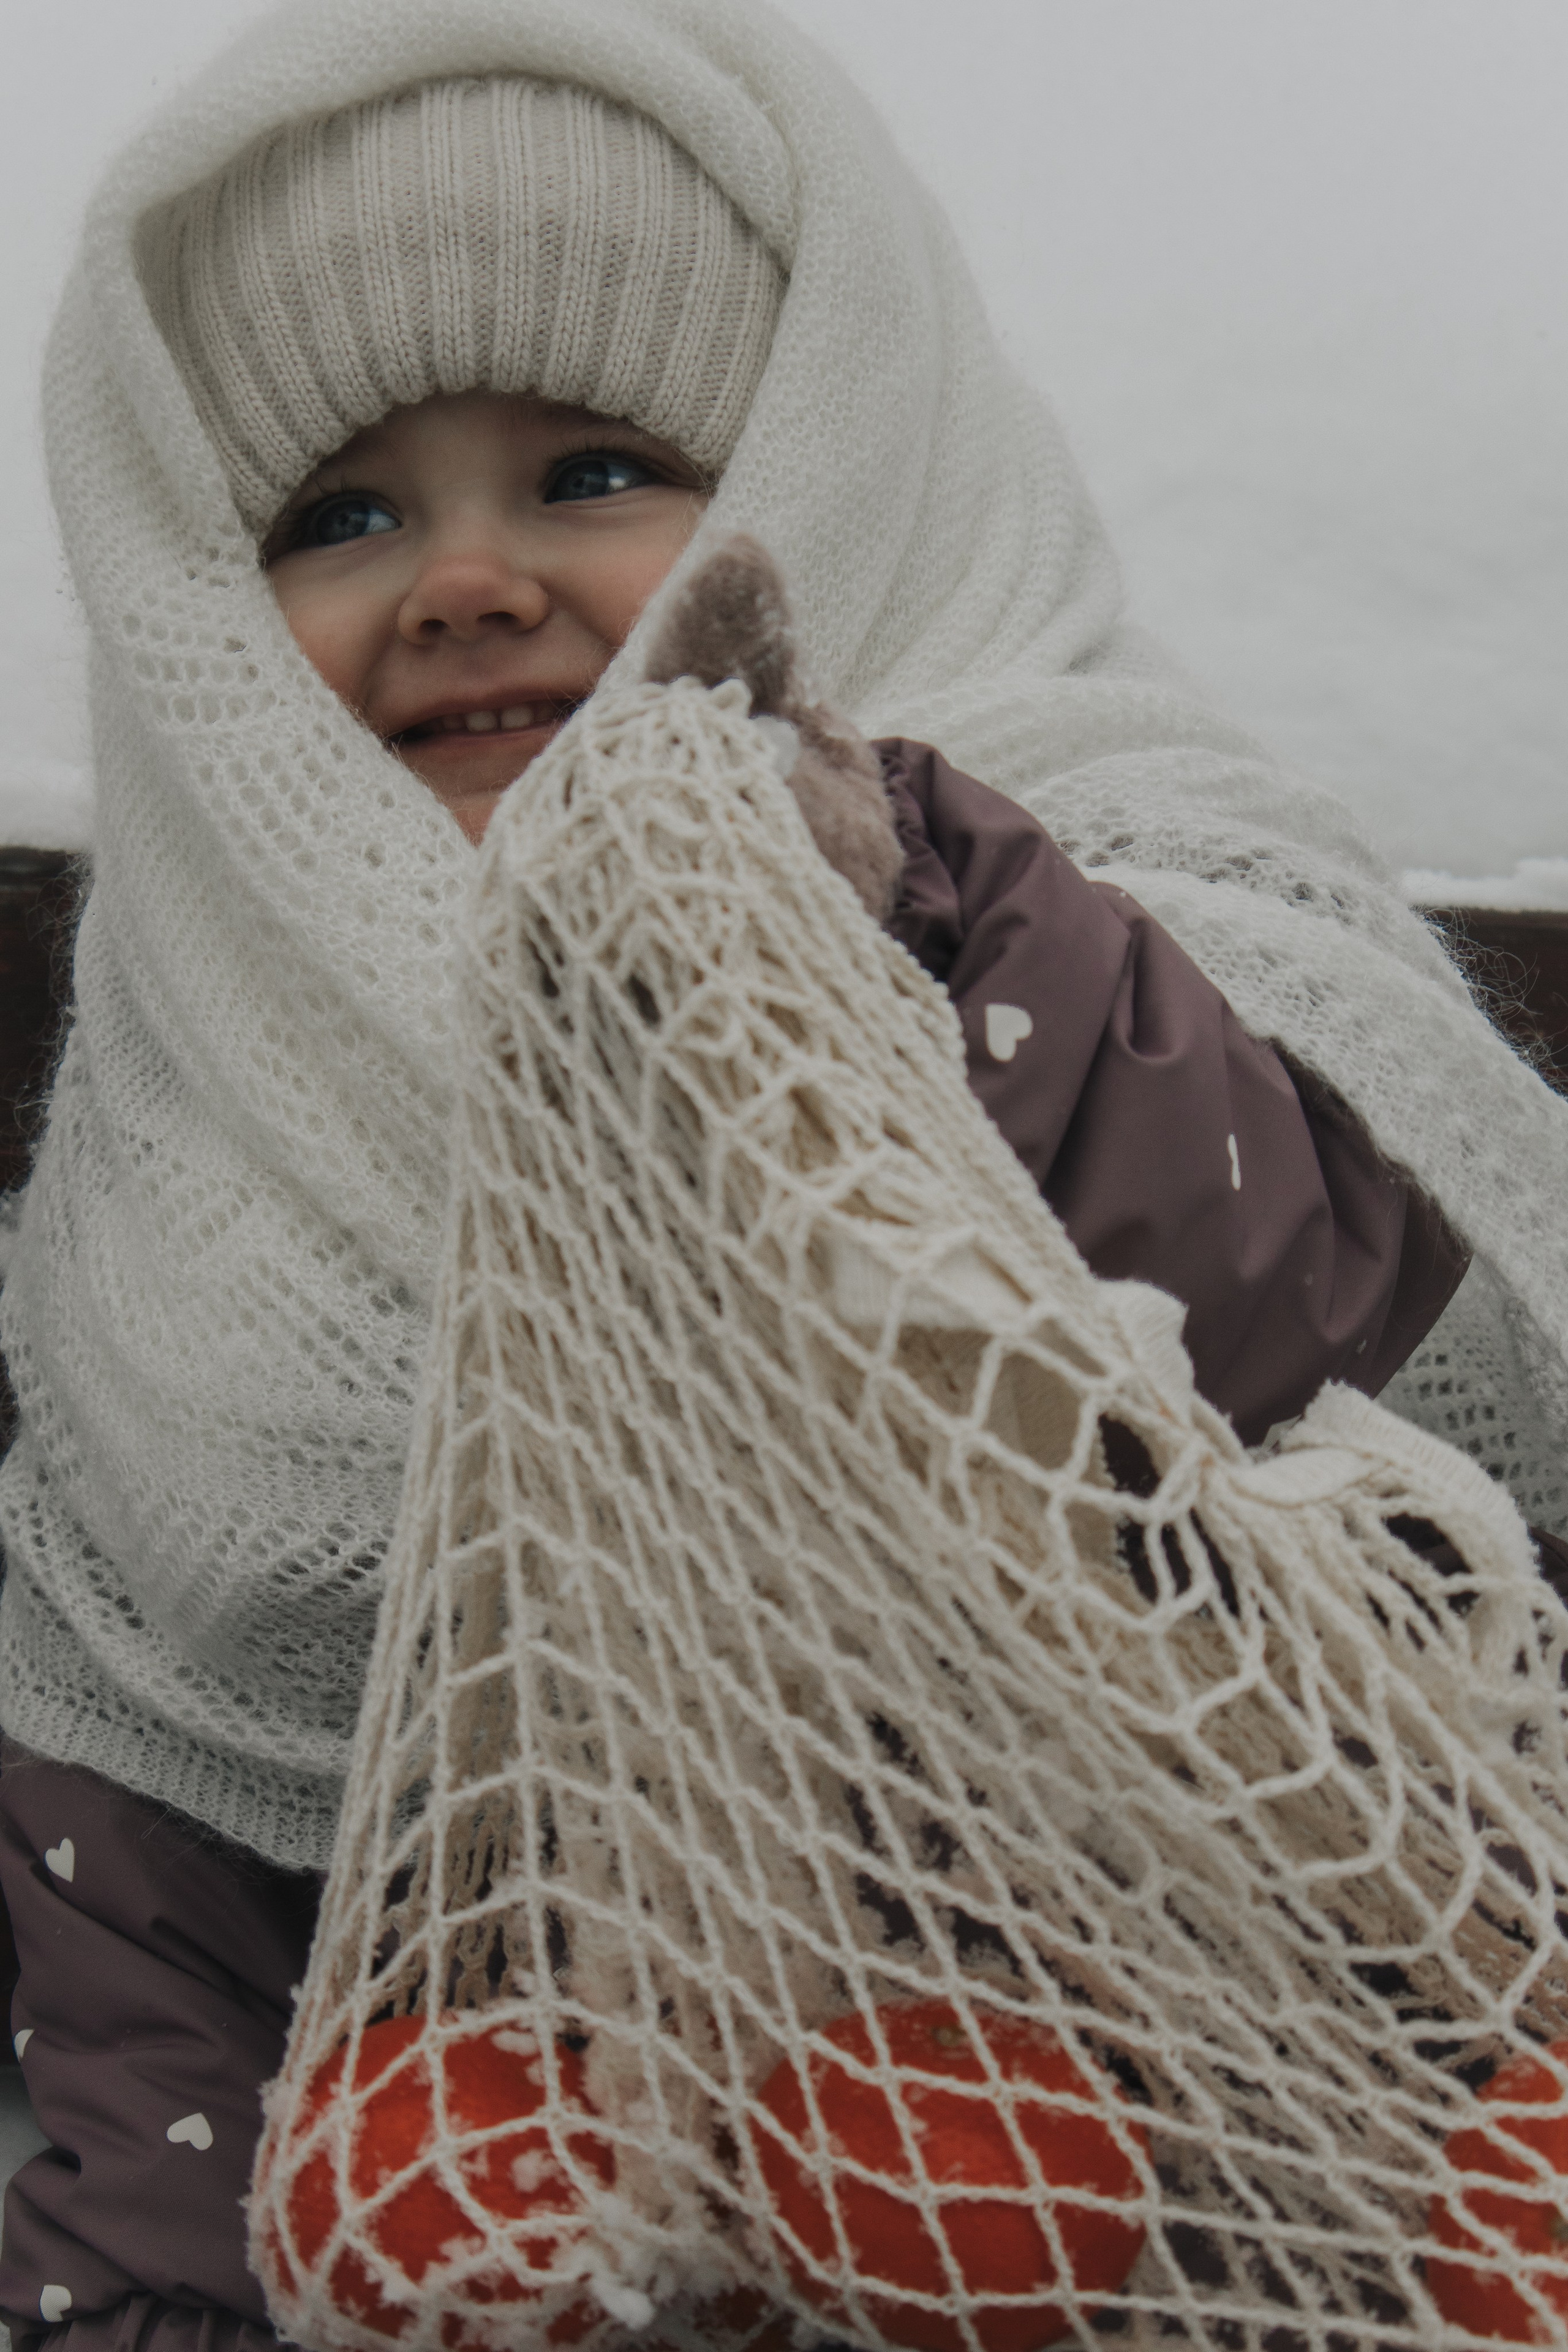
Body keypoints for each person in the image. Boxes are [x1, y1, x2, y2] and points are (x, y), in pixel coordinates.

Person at [3, 3, 1568, 2345]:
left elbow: (1337, 1321)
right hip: (545, 2207)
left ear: (829, 487)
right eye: (338, 516)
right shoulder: (184, 1136)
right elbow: (153, 1852)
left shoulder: (1097, 865)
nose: (459, 579)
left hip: (1270, 2175)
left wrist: (876, 919)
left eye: (596, 469)